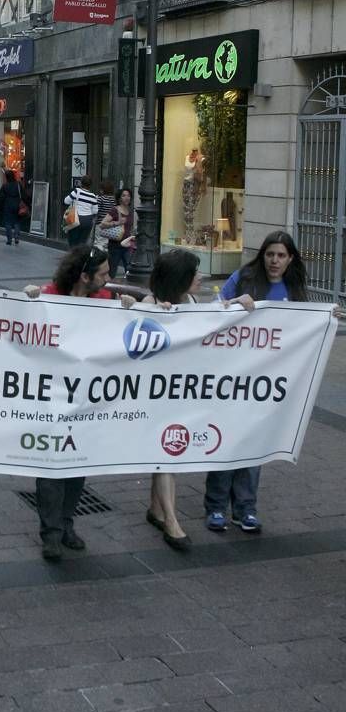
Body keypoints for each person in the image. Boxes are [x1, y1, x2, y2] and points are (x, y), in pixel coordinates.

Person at [204, 231, 308, 534]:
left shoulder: (294, 287)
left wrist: (326, 318)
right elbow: (216, 310)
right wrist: (236, 301)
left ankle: (245, 508)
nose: (274, 261)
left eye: (281, 256)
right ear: (262, 255)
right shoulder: (244, 277)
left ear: (290, 259)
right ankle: (216, 507)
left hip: (267, 382)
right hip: (233, 377)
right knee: (226, 440)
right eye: (270, 254)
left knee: (253, 444)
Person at [25, 245, 111, 560]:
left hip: (85, 399)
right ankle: (50, 532)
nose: (108, 279)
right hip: (50, 398)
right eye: (103, 273)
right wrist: (27, 300)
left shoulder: (105, 302)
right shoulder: (48, 296)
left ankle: (66, 523)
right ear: (84, 276)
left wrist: (131, 308)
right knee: (50, 465)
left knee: (77, 464)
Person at [138, 248, 200, 551]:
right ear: (181, 278)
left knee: (161, 452)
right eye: (194, 273)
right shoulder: (150, 305)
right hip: (154, 393)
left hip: (180, 389)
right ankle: (172, 522)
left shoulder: (191, 302)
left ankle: (155, 508)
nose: (199, 278)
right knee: (166, 454)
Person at [100, 186, 135, 277]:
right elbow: (102, 224)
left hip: (127, 245)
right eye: (124, 196)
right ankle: (109, 290)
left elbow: (129, 227)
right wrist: (117, 222)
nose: (126, 198)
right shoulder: (115, 210)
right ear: (119, 198)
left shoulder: (130, 211)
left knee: (130, 270)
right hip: (115, 246)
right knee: (112, 271)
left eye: (128, 196)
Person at [64, 175, 98, 248]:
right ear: (90, 185)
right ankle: (80, 257)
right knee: (82, 243)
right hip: (87, 221)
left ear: (81, 183)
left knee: (73, 242)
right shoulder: (93, 196)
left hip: (75, 219)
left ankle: (73, 257)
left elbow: (66, 201)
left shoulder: (77, 191)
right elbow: (95, 211)